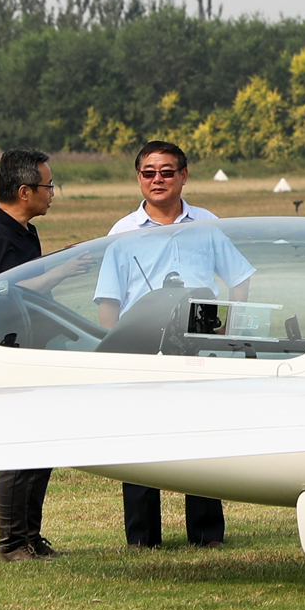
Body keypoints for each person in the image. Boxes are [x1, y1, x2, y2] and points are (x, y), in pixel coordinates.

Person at [106, 140, 227, 548]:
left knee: (201, 436)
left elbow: (239, 276)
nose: (157, 179)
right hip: (141, 345)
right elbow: (109, 301)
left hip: (197, 344)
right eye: (148, 172)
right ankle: (142, 537)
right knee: (140, 439)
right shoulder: (122, 232)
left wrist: (224, 330)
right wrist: (115, 352)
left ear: (184, 175)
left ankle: (206, 534)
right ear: (138, 178)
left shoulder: (208, 223)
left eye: (167, 171)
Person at [0, 146, 63, 561]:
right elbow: (10, 290)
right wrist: (65, 270)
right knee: (20, 446)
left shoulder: (24, 230)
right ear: (24, 191)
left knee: (42, 443)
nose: (52, 193)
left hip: (32, 348)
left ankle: (31, 537)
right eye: (48, 186)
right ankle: (11, 543)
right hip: (8, 351)